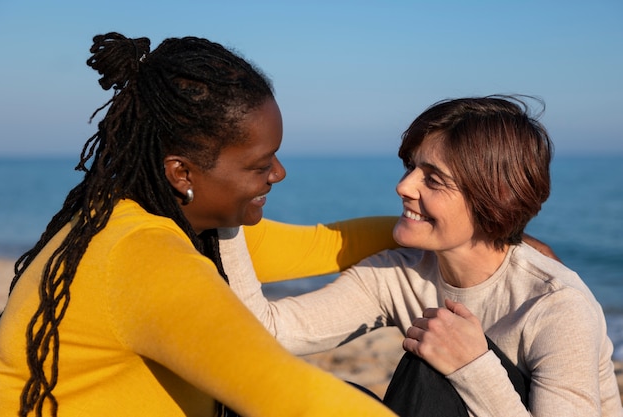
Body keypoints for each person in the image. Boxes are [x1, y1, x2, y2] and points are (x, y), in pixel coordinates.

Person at [0, 32, 403, 417]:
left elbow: (321, 245)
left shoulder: (143, 218)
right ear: (182, 173)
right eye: (260, 165)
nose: (278, 173)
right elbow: (289, 397)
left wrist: (442, 231)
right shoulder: (146, 259)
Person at [218, 96, 623, 416]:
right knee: (317, 398)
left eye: (433, 179)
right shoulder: (398, 274)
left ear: (492, 198)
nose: (404, 186)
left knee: (431, 363)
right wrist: (228, 209)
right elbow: (267, 333)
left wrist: (473, 365)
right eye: (411, 167)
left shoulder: (555, 305)